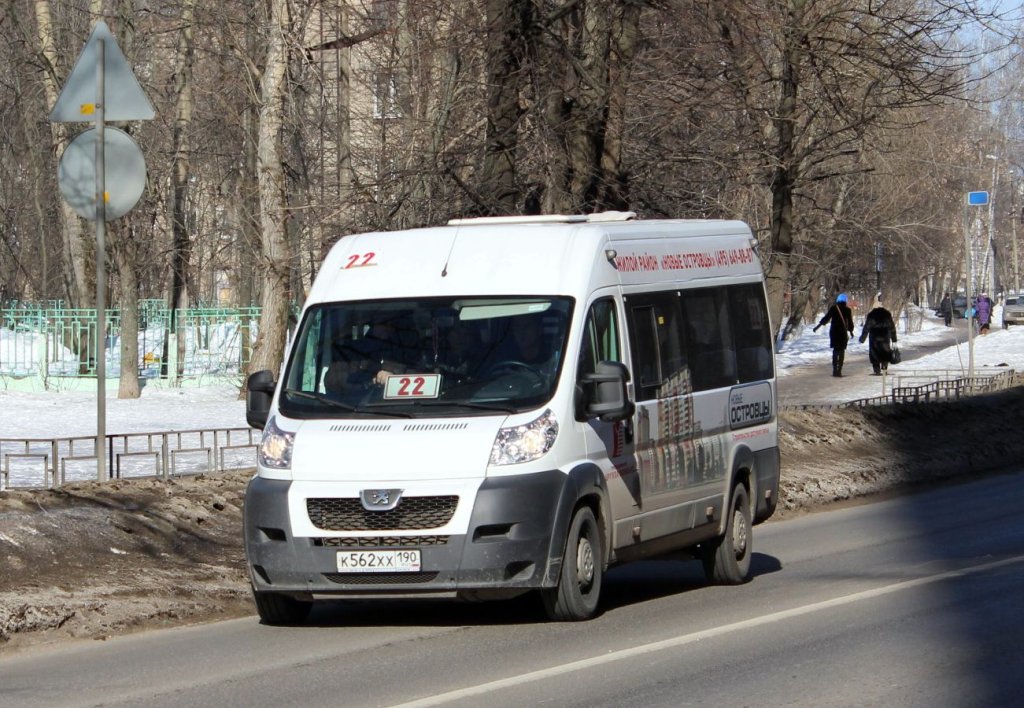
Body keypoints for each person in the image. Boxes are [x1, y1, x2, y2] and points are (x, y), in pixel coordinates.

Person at [813, 293, 855, 377]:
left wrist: (818, 326)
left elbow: (826, 318)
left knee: (835, 351)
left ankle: (834, 370)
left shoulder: (833, 308)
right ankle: (839, 371)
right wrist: (850, 331)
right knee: (842, 351)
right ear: (845, 301)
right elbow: (850, 322)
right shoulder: (847, 310)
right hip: (843, 333)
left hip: (834, 332)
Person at [859, 294, 898, 375]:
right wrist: (894, 339)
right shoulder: (887, 314)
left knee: (874, 353)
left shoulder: (871, 314)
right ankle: (884, 368)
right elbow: (892, 327)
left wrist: (862, 338)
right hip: (885, 336)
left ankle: (876, 370)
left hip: (874, 337)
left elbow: (867, 327)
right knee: (885, 351)